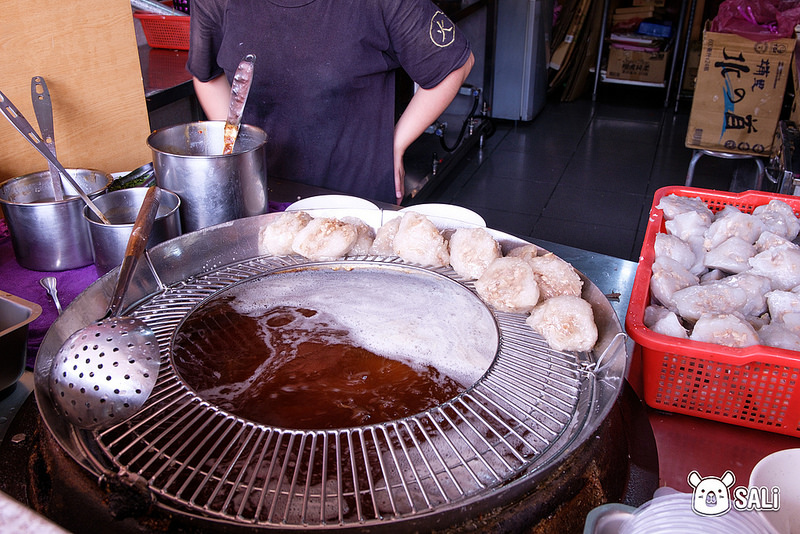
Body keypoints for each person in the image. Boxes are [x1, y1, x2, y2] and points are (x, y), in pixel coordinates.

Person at [187, 0, 474, 205]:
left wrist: (396, 142)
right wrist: (240, 147)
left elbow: (452, 65)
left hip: (356, 198)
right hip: (260, 195)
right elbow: (206, 75)